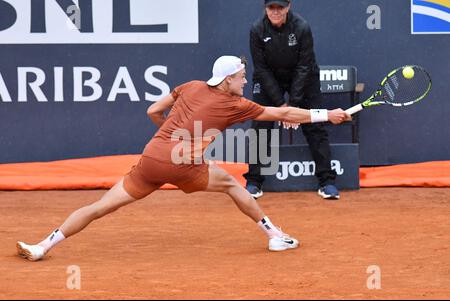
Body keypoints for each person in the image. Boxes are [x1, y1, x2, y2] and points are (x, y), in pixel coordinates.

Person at [16, 55, 351, 261]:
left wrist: (173, 138)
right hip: (183, 165)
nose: (246, 81)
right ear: (227, 80)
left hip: (150, 158)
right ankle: (275, 237)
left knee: (100, 207)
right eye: (241, 77)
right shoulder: (236, 104)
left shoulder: (190, 86)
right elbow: (283, 112)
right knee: (234, 186)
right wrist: (327, 114)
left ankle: (44, 245)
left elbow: (152, 110)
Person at [244, 0, 340, 200]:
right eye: (272, 8)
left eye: (280, 7)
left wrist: (293, 106)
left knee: (315, 124)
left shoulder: (302, 27)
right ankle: (254, 181)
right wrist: (281, 105)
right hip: (269, 77)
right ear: (265, 8)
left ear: (288, 7)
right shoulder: (257, 30)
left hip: (304, 77)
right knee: (260, 125)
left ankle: (327, 182)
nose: (276, 12)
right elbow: (261, 68)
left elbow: (304, 66)